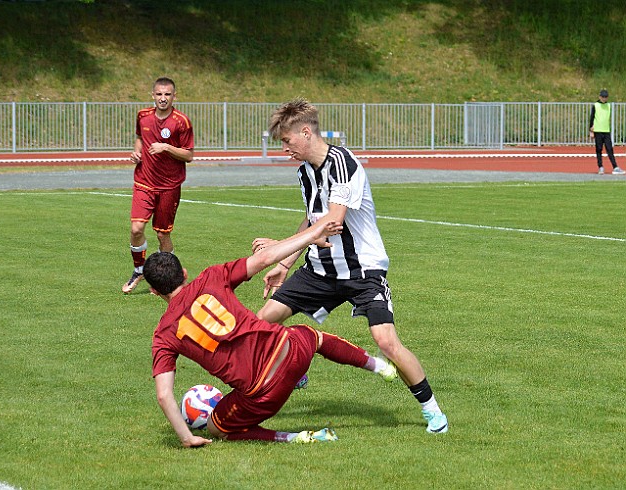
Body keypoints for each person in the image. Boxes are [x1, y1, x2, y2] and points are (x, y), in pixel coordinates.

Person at [254, 98, 448, 434]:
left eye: (286, 141)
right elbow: (313, 219)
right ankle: (294, 365)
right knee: (259, 325)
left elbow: (333, 222)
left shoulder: (342, 163)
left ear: (305, 132)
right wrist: (285, 262)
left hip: (363, 270)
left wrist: (278, 246)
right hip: (321, 268)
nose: (284, 149)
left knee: (386, 342)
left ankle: (432, 411)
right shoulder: (303, 172)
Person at [145, 220, 399, 447]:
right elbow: (265, 259)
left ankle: (294, 437)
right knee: (312, 336)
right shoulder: (212, 276)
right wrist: (310, 237)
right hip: (290, 352)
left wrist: (186, 438)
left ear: (154, 291)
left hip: (264, 394)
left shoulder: (164, 334)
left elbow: (164, 394)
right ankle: (378, 365)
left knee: (218, 429)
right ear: (185, 273)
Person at [122, 77, 195, 293]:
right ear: (152, 95)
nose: (163, 98)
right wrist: (137, 152)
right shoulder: (143, 116)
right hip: (144, 181)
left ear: (174, 96)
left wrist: (166, 147)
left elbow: (189, 155)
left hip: (169, 185)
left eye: (167, 94)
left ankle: (168, 281)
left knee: (162, 234)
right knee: (136, 229)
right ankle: (139, 270)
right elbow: (139, 138)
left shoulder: (182, 121)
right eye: (159, 94)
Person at [589, 89, 625, 175]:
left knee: (609, 149)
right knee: (599, 149)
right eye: (603, 97)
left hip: (606, 130)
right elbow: (592, 118)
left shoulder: (609, 105)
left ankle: (615, 167)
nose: (604, 98)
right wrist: (591, 130)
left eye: (605, 97)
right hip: (598, 130)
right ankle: (600, 167)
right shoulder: (596, 105)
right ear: (599, 97)